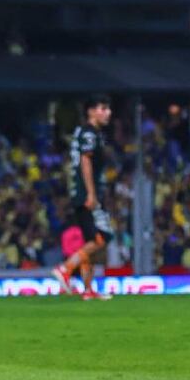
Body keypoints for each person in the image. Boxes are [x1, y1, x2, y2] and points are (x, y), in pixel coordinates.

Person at [53, 94, 114, 301]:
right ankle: (66, 268)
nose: (108, 113)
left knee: (90, 240)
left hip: (79, 192)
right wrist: (91, 193)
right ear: (90, 111)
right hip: (87, 193)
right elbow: (85, 162)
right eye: (102, 108)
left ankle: (88, 289)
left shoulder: (83, 132)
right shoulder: (89, 134)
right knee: (103, 237)